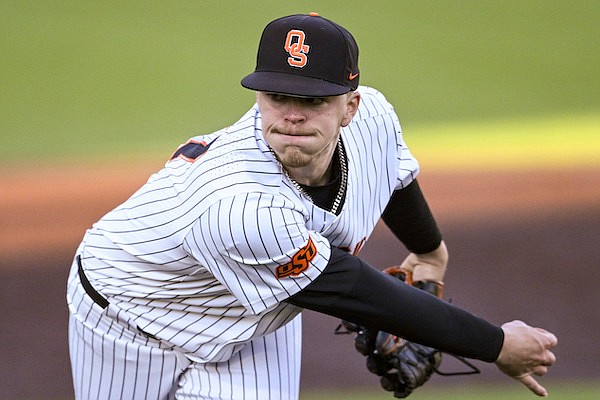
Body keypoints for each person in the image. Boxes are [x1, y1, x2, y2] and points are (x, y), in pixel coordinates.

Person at [66, 12, 557, 400]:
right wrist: (497, 344)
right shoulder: (240, 206)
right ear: (258, 95)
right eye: (278, 95)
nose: (293, 115)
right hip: (132, 318)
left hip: (254, 314)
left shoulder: (375, 119)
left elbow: (396, 175)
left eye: (315, 99)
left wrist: (429, 252)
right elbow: (348, 287)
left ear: (351, 106)